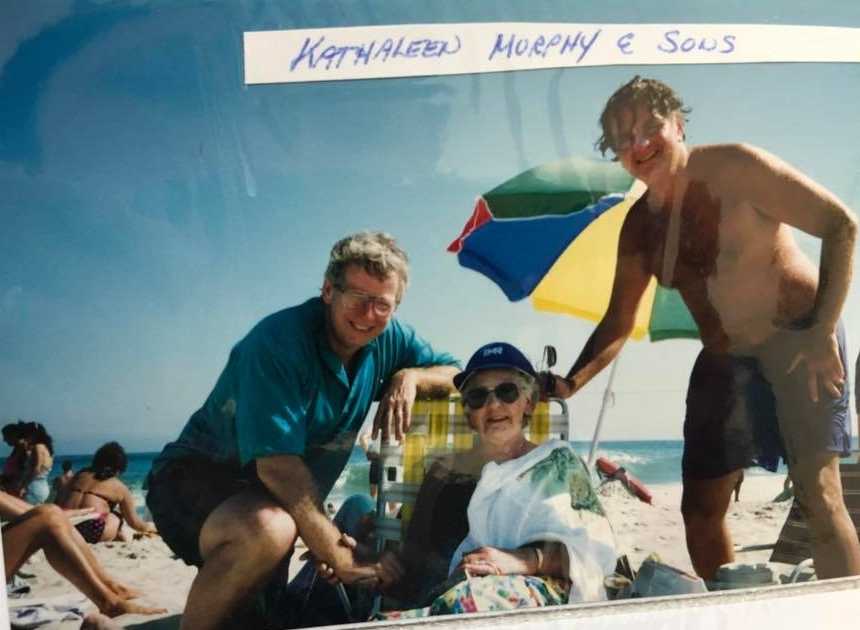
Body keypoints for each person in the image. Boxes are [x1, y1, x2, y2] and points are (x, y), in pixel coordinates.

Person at [546, 76, 859, 580]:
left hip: (799, 338)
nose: (641, 145)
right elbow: (618, 320)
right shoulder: (639, 226)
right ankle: (732, 608)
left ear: (678, 124)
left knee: (818, 494)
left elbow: (840, 224)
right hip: (724, 358)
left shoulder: (736, 167)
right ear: (616, 154)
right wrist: (571, 383)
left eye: (651, 128)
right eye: (624, 139)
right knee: (698, 512)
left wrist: (822, 330)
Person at [145, 231, 459, 630]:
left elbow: (458, 374)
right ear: (329, 290)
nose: (367, 315)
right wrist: (336, 553)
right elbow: (277, 467)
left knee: (259, 619)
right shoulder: (278, 342)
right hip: (194, 480)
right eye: (357, 298)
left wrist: (411, 376)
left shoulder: (390, 338)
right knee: (269, 531)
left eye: (382, 304)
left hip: (275, 501)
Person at [365, 342, 616, 618]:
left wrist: (525, 560)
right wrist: (373, 560)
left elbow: (595, 549)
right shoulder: (442, 472)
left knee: (463, 605)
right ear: (468, 414)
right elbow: (415, 557)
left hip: (519, 605)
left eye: (507, 392)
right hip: (444, 600)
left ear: (528, 403)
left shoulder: (558, 463)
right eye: (478, 396)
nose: (493, 404)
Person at [1, 490, 165, 618]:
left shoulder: (81, 476)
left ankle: (112, 587)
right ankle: (109, 602)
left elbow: (21, 509)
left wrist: (60, 513)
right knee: (50, 518)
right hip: (98, 527)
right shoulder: (116, 486)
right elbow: (135, 522)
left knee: (52, 513)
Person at [56, 442, 157, 543]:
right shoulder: (119, 486)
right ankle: (119, 536)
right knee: (116, 516)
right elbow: (135, 523)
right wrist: (153, 527)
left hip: (63, 526)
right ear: (118, 468)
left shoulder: (77, 476)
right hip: (91, 530)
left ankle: (119, 537)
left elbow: (58, 502)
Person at [20, 421, 55, 504]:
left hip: (34, 486)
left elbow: (37, 468)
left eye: (26, 435)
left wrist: (24, 486)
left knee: (26, 514)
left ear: (33, 435)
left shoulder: (38, 447)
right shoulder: (46, 448)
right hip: (42, 485)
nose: (25, 438)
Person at [1, 421, 29, 495]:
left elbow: (25, 470)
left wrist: (22, 487)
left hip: (16, 488)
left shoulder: (24, 448)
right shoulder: (17, 448)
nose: (4, 440)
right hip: (10, 486)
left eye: (5, 436)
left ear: (13, 435)